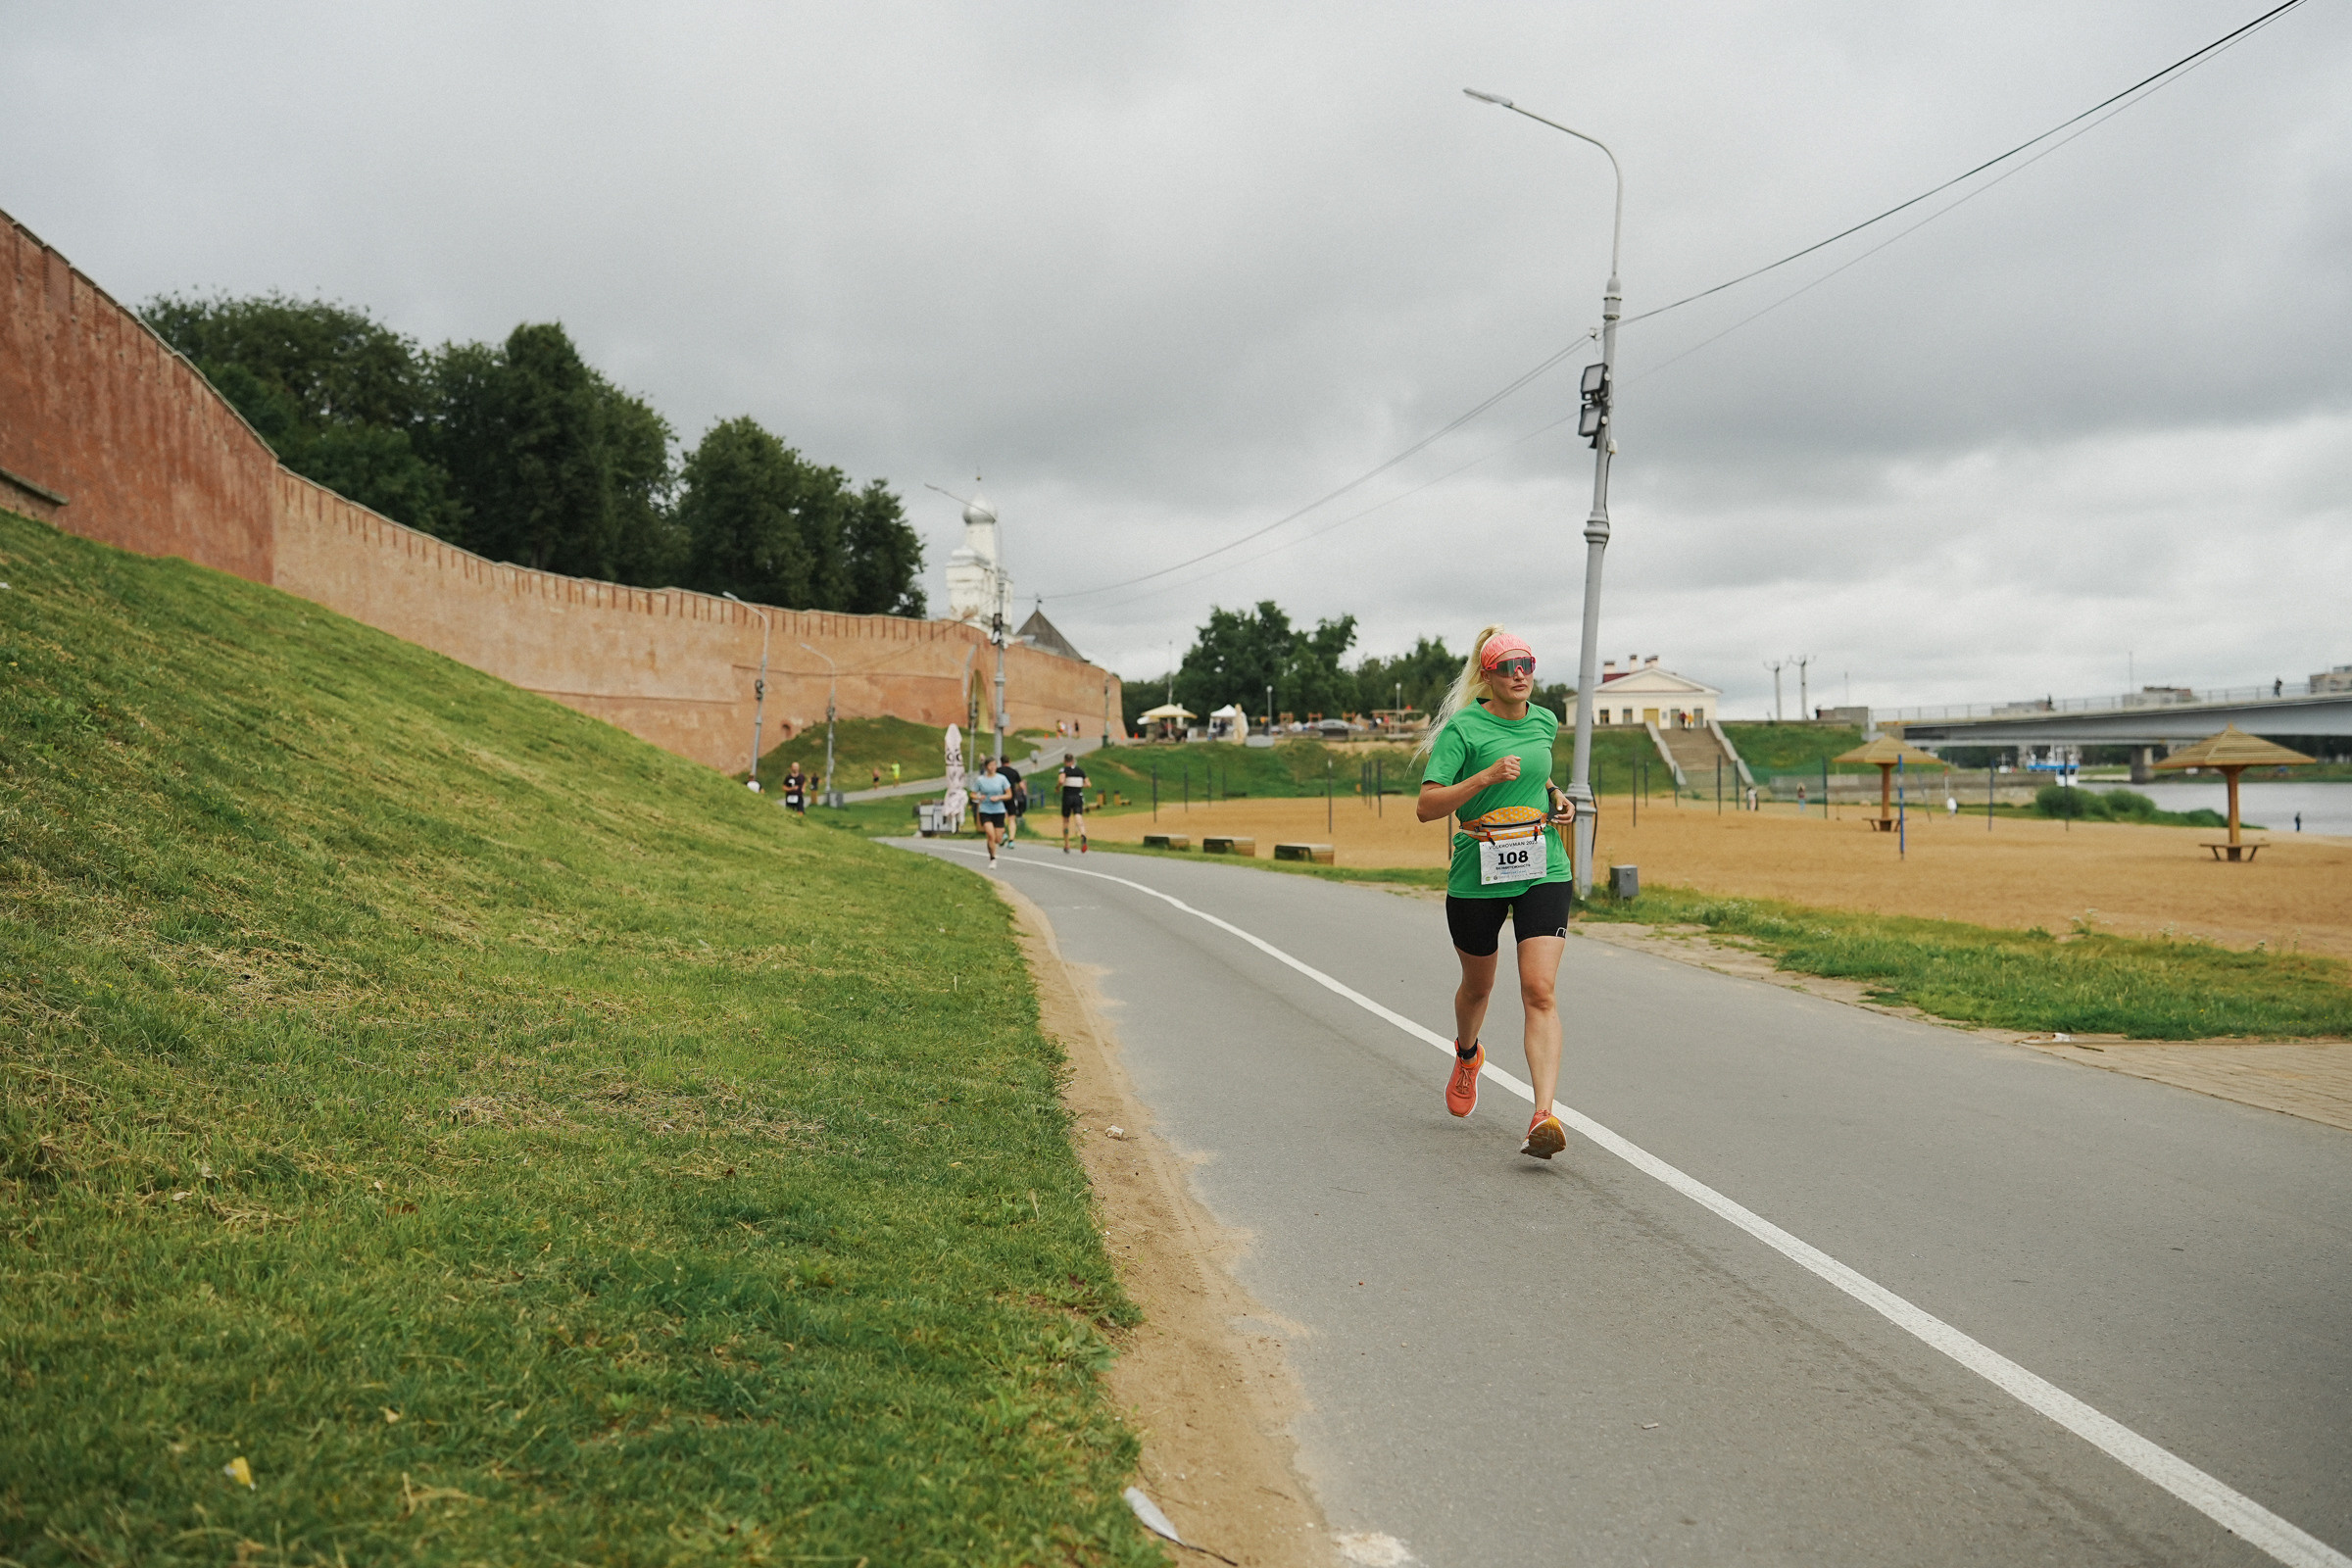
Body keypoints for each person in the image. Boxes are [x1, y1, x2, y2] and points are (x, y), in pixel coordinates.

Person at [1416, 627, 1578, 1160]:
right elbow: (1428, 806)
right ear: (1487, 675)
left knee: (1540, 990)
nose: (1519, 673)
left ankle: (1543, 1116)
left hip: (1542, 861)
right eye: (1508, 665)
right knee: (1478, 989)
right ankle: (1467, 1055)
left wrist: (1555, 797)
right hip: (1477, 868)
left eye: (1526, 663)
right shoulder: (1464, 728)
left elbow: (1538, 775)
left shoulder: (1546, 720)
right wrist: (1483, 778)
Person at [971, 756, 1011, 863]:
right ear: (986, 767)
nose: (992, 767)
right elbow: (973, 794)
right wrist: (979, 797)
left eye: (994, 765)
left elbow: (1009, 794)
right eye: (990, 765)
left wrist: (999, 797)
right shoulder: (980, 780)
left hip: (999, 810)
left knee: (997, 838)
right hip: (985, 810)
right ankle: (993, 857)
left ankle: (1001, 838)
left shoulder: (1001, 779)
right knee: (990, 834)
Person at [1058, 752, 1091, 853]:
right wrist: (1079, 785)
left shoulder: (1063, 770)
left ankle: (1067, 844)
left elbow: (1061, 781)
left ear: (1064, 761)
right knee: (1078, 816)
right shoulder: (1080, 771)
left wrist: (1058, 787)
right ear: (1073, 761)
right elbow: (1088, 784)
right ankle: (1083, 834)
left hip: (1067, 797)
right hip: (1078, 797)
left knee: (1066, 821)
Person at [1001, 761, 1026, 847]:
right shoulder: (1014, 771)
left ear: (1001, 762)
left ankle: (1003, 833)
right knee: (1012, 819)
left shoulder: (998, 770)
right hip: (1012, 798)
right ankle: (1011, 840)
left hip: (1001, 797)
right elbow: (1022, 785)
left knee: (1001, 817)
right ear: (1009, 761)